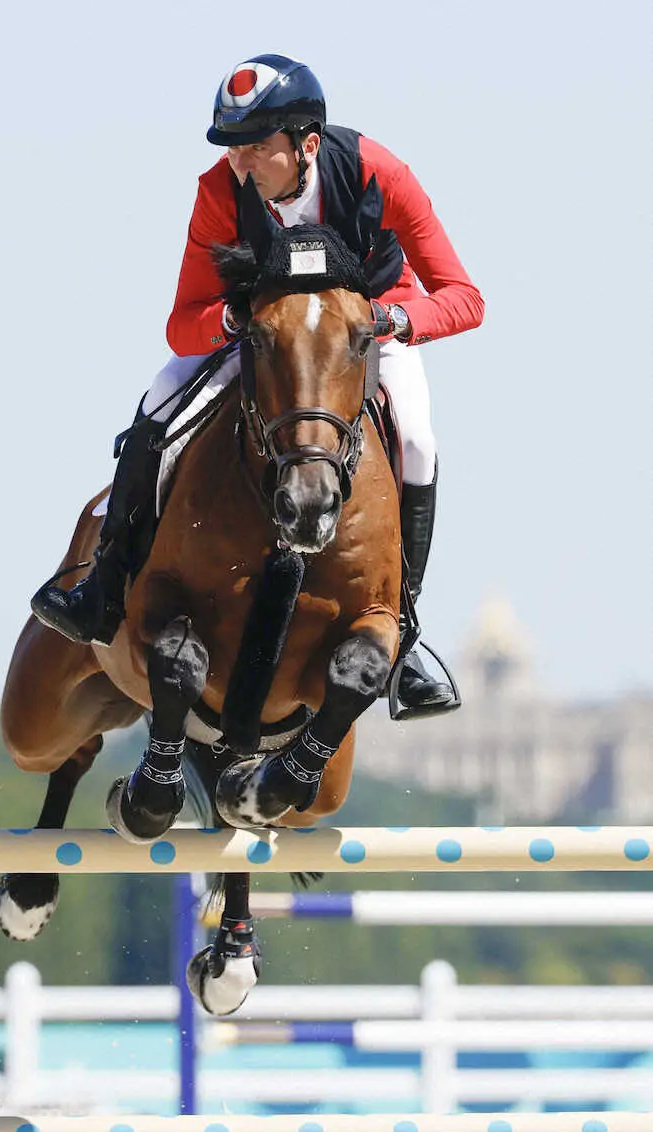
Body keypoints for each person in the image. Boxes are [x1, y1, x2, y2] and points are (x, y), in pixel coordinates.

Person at [32, 53, 484, 714]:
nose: (240, 164)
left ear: (305, 143)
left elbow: (465, 298)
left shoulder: (377, 173)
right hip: (264, 339)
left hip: (362, 336)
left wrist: (389, 319)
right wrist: (234, 319)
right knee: (159, 404)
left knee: (415, 438)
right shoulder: (219, 190)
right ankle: (103, 585)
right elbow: (183, 325)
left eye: (255, 148)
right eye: (231, 148)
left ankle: (405, 633)